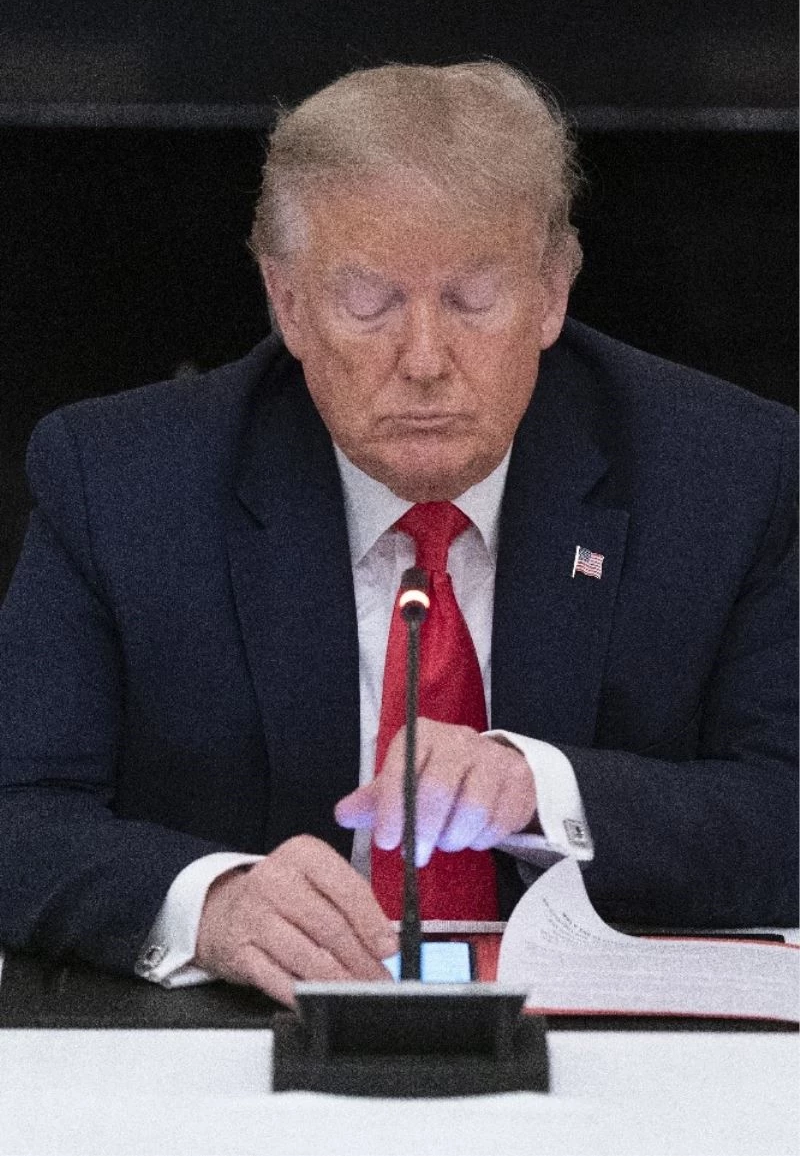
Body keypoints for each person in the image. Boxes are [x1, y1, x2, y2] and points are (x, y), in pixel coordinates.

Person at [0, 62, 796, 1009]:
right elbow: (19, 811)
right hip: (232, 1042)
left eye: (472, 300)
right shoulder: (120, 484)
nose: (423, 360)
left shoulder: (728, 476)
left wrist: (543, 787)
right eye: (368, 304)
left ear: (552, 293)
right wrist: (211, 903)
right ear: (287, 302)